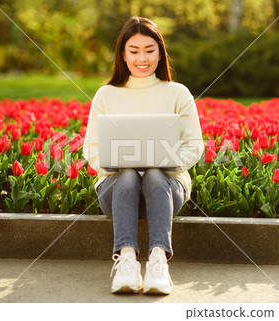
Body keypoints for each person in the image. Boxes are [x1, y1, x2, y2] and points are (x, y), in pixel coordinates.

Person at [83, 16, 204, 295]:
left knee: (152, 173)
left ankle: (158, 261)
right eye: (134, 51)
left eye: (150, 50)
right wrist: (115, 163)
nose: (142, 58)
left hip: (166, 189)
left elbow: (194, 145)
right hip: (116, 192)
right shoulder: (106, 95)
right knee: (126, 175)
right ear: (122, 55)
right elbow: (91, 148)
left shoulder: (177, 93)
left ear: (160, 53)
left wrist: (168, 162)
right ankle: (126, 260)